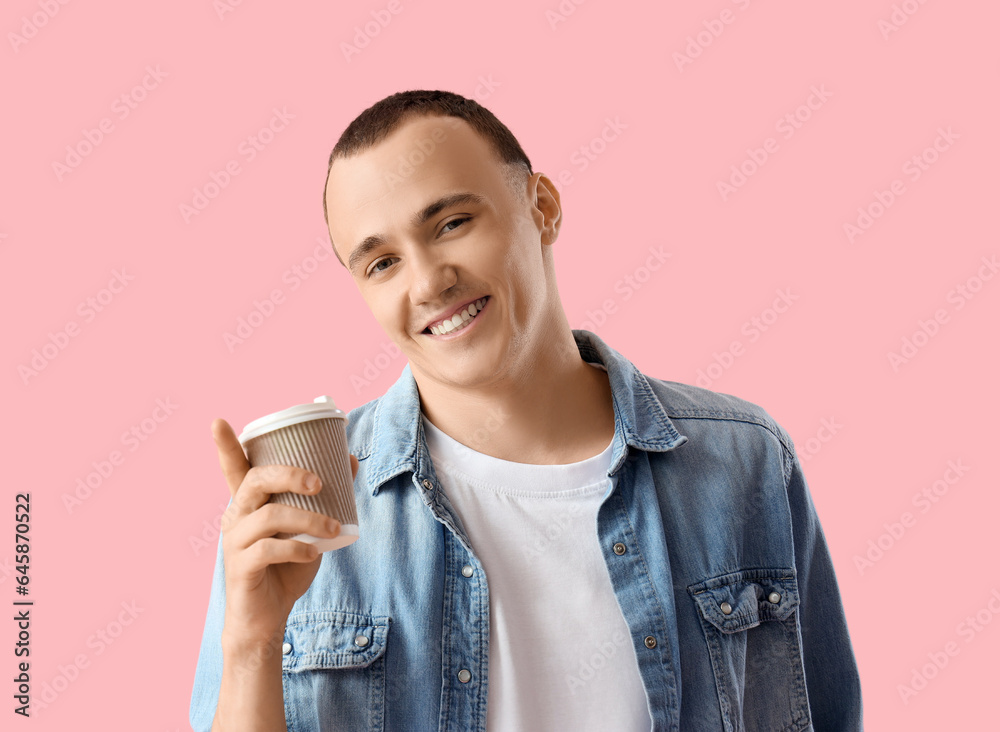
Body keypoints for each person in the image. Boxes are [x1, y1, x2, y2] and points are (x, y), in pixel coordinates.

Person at [190, 90, 863, 731]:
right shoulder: (307, 514)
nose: (427, 282)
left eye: (452, 224)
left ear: (541, 206)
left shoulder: (742, 462)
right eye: (382, 263)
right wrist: (252, 640)